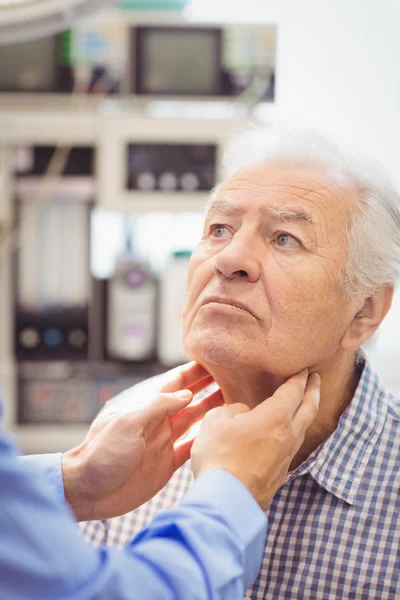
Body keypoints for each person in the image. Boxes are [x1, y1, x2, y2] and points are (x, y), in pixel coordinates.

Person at [81, 127, 400, 599]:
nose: (230, 258)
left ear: (363, 312)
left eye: (285, 238)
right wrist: (75, 484)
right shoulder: (127, 430)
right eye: (219, 229)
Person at [0, 361, 320, 599]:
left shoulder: (132, 424)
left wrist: (76, 480)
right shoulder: (127, 408)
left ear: (365, 313)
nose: (225, 265)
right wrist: (233, 493)